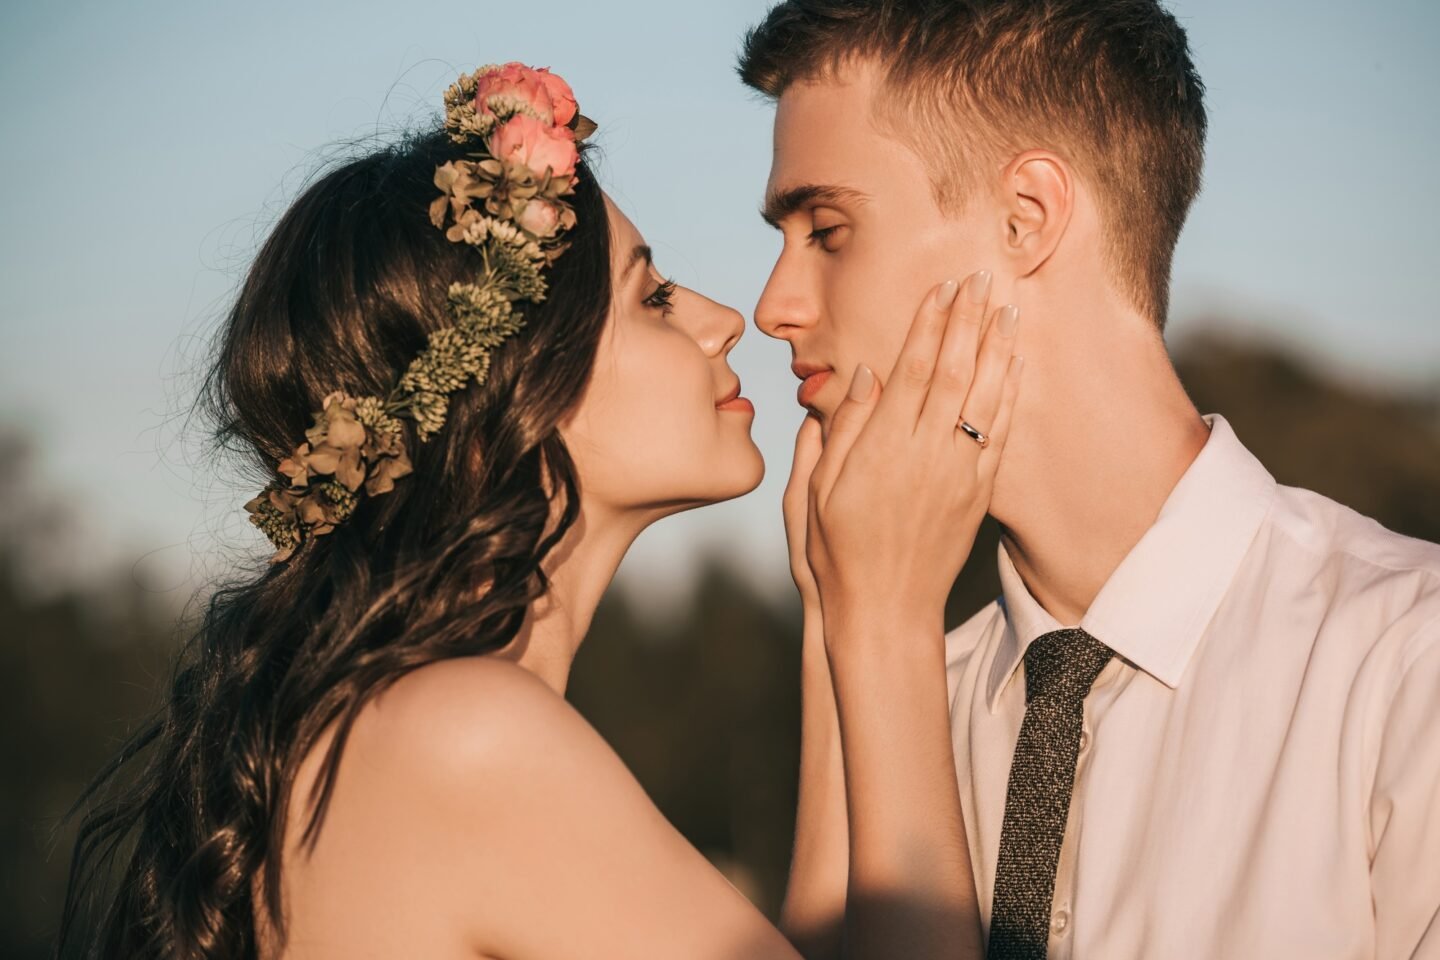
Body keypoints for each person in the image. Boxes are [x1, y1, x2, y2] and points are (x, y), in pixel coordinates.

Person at [57, 62, 1015, 959]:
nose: (728, 317)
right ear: (510, 390)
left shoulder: (397, 723)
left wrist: (837, 614)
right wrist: (889, 618)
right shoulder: (462, 736)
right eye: (653, 295)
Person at [740, 1, 1440, 959]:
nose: (773, 307)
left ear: (1027, 219)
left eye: (825, 230)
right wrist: (854, 624)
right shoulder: (896, 688)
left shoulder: (1406, 668)